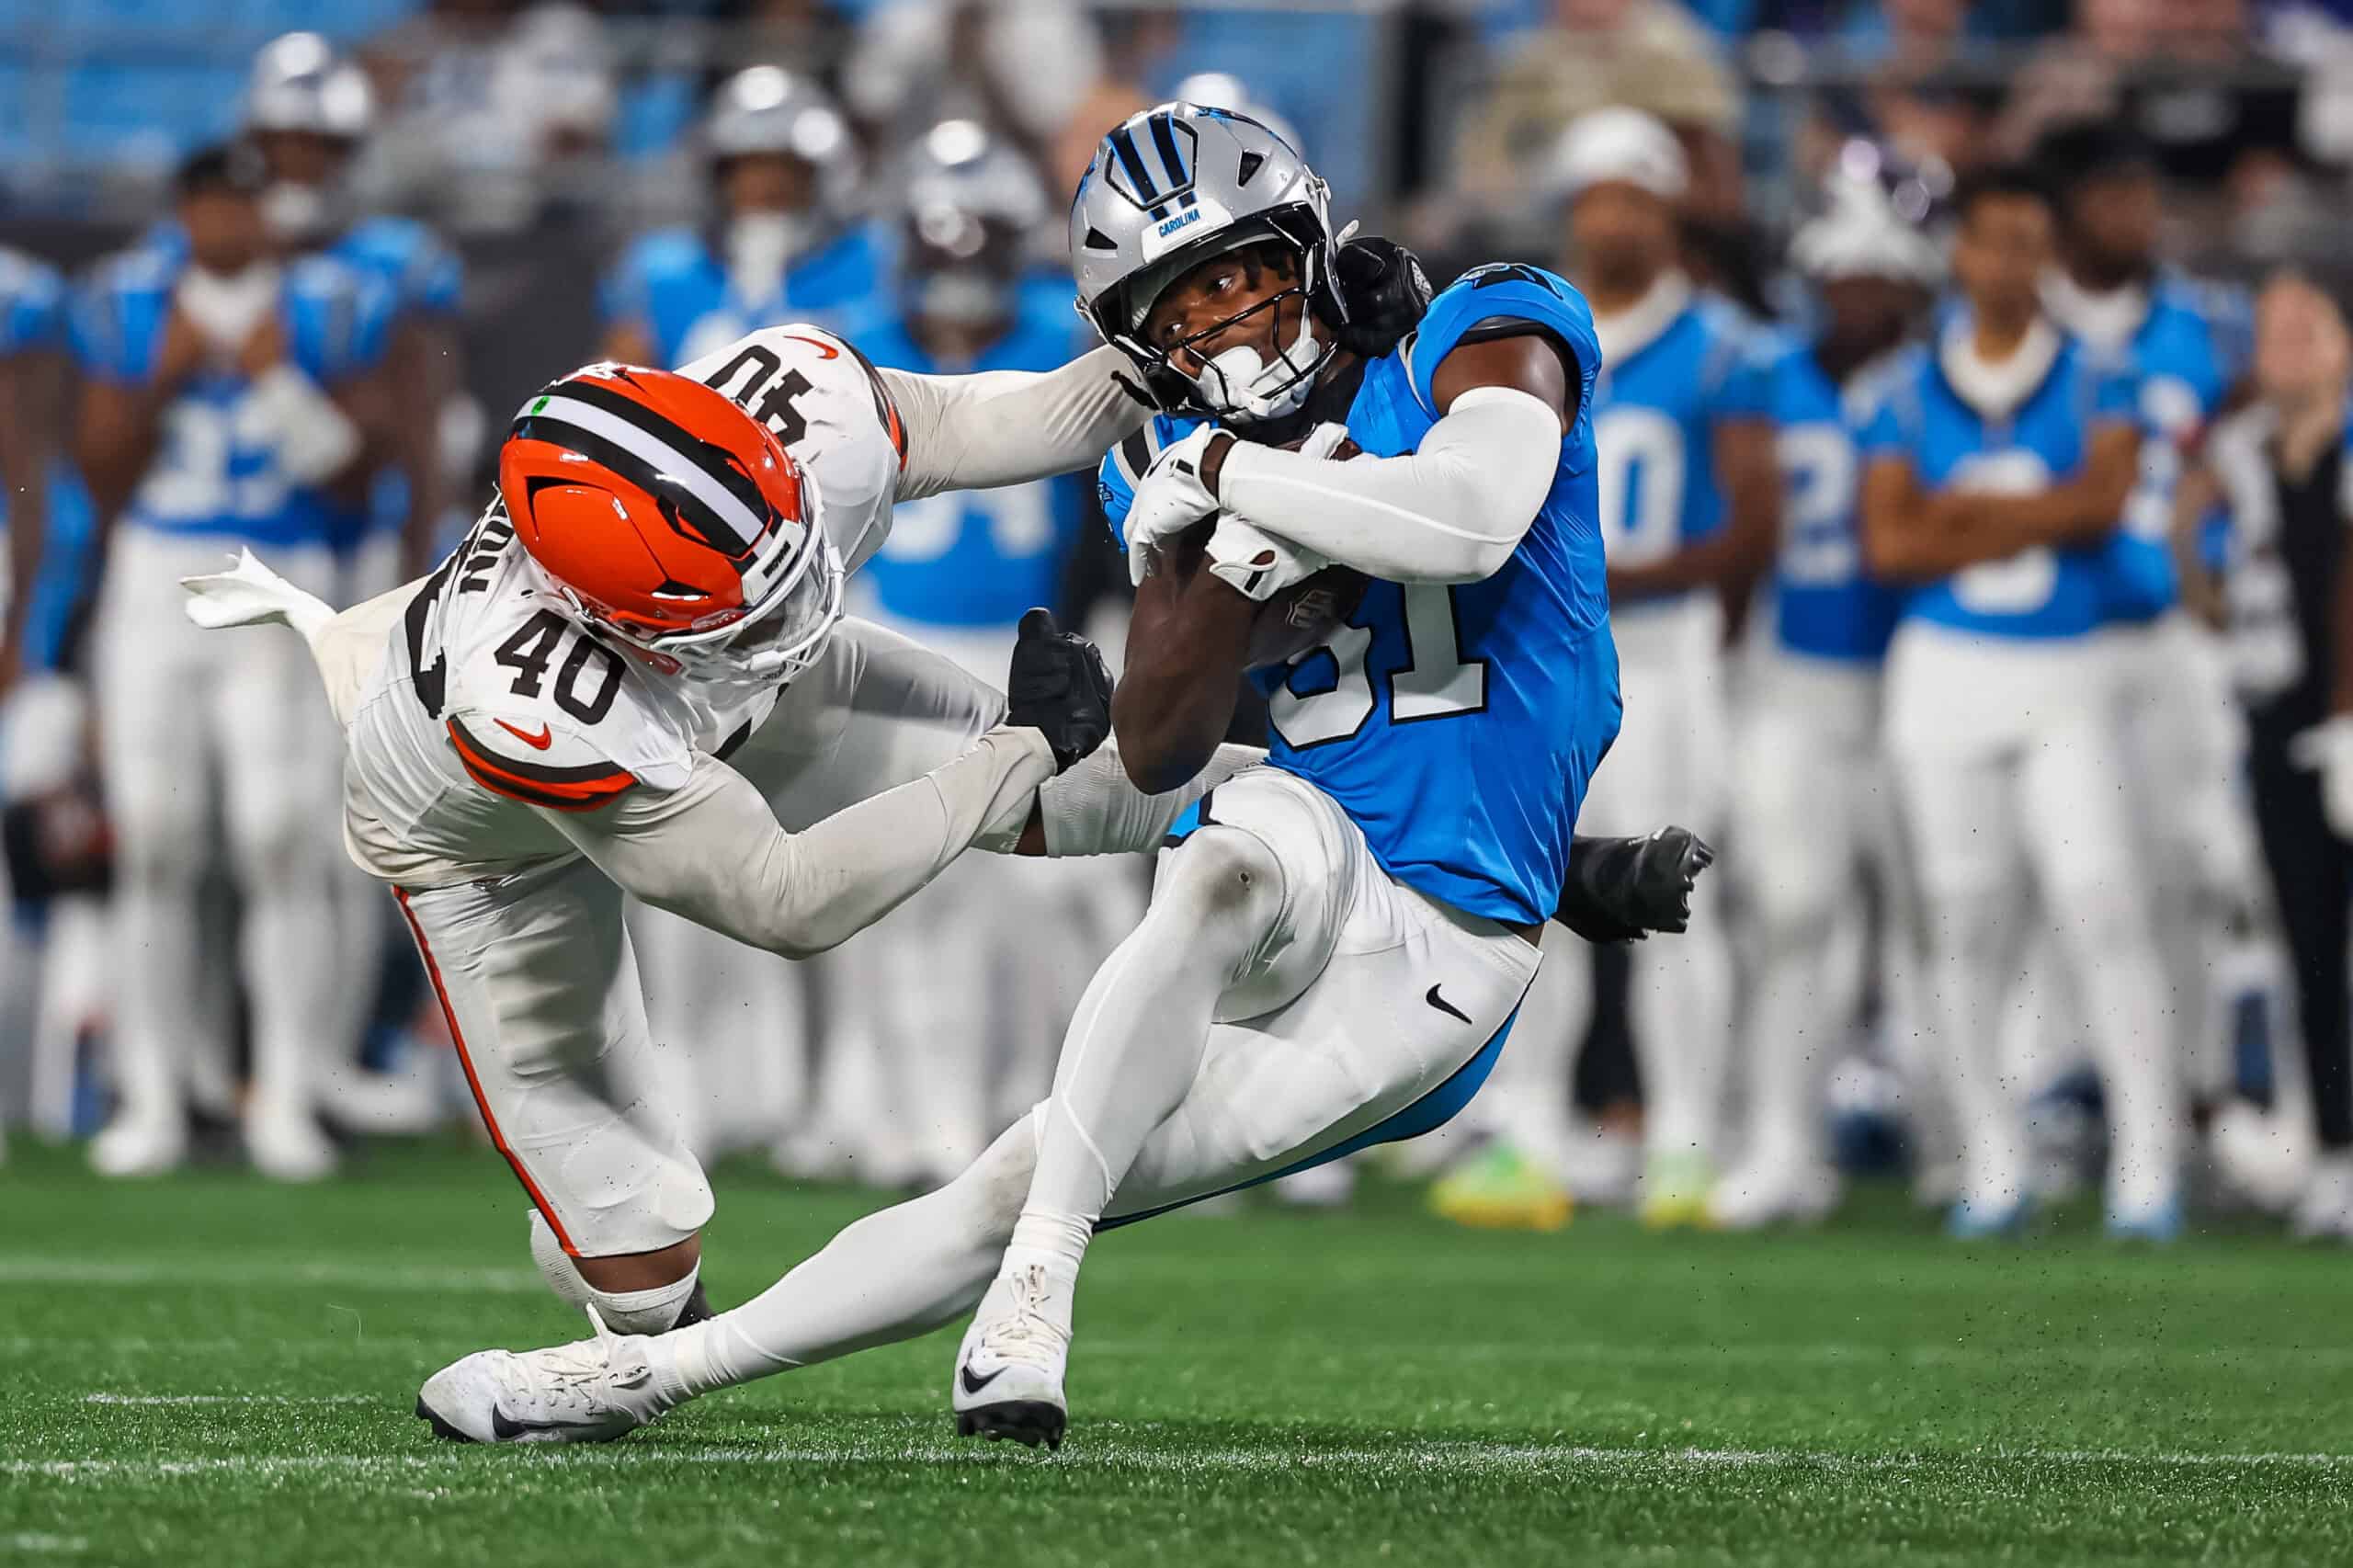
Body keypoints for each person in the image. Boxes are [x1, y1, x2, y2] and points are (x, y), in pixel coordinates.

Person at [402, 103, 1701, 1453]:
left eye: (1239, 271)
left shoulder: (1483, 320)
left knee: (1010, 1181)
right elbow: (1159, 748)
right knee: (1228, 846)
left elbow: (1474, 522)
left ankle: (952, 1279)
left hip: (1445, 955)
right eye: (1177, 304)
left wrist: (1229, 473)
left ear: (1310, 247)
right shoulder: (1157, 454)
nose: (1222, 321)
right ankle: (922, 1317)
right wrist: (1205, 548)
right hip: (1324, 842)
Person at [1437, 106, 1772, 1231]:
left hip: (1663, 646)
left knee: (1678, 890)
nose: (1614, 217)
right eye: (1597, 196)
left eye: (1634, 195)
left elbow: (1748, 529)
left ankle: (1684, 1141)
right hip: (1544, 656)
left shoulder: (1722, 345)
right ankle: (1532, 1130)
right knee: (1536, 888)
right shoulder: (1527, 334)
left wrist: (1614, 587)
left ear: (1668, 208)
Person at [1859, 164, 2182, 1240]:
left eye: (2025, 242)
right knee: (1963, 920)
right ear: (1961, 252)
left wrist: (1967, 515)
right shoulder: (1908, 385)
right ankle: (1990, 1160)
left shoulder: (2098, 375)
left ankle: (2146, 1162)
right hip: (1945, 676)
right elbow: (1890, 543)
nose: (2009, 264)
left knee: (2102, 901)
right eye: (1991, 241)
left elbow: (2100, 506)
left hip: (2066, 671)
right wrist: (2025, 513)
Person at [73, 142, 399, 1181]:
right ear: (184, 208)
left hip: (278, 568)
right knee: (157, 841)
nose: (230, 224)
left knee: (277, 836)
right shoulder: (130, 299)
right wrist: (165, 375)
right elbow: (99, 473)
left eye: (245, 204)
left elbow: (358, 476)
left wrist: (273, 378)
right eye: (212, 202)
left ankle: (286, 1096)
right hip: (159, 570)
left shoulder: (329, 302)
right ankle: (155, 1097)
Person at [823, 119, 1122, 1184]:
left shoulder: (1061, 335)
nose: (956, 275)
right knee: (910, 883)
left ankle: (1049, 1109)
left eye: (975, 247)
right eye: (938, 249)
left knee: (1057, 894)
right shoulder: (853, 339)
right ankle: (908, 1106)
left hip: (1027, 644)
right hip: (892, 640)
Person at [1709, 170, 1938, 1230]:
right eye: (1840, 276)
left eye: (1876, 278)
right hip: (1794, 680)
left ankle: (1961, 1145)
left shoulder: (1943, 384)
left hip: (1919, 680)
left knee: (1938, 917)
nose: (1855, 296)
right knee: (1792, 910)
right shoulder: (1763, 375)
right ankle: (1778, 1142)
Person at [2035, 119, 2263, 1124]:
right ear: (2066, 211)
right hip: (2053, 633)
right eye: (2113, 196)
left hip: (2178, 632)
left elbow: (2257, 442)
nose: (2137, 217)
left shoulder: (2211, 325)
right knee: (2063, 871)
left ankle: (2201, 1086)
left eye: (2144, 197)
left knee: (2197, 862)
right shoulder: (2018, 321)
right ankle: (2060, 1084)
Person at [2193, 274, 2353, 1238]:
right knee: (2307, 938)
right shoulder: (2238, 454)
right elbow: (2195, 562)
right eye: (2270, 328)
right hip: (2273, 717)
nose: (2284, 343)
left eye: (2305, 325)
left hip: (2345, 712)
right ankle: (2335, 1149)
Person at [599, 67, 881, 371]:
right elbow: (619, 390)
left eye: (783, 171)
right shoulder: (661, 269)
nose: (764, 188)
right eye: (746, 171)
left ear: (818, 179)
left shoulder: (874, 260)